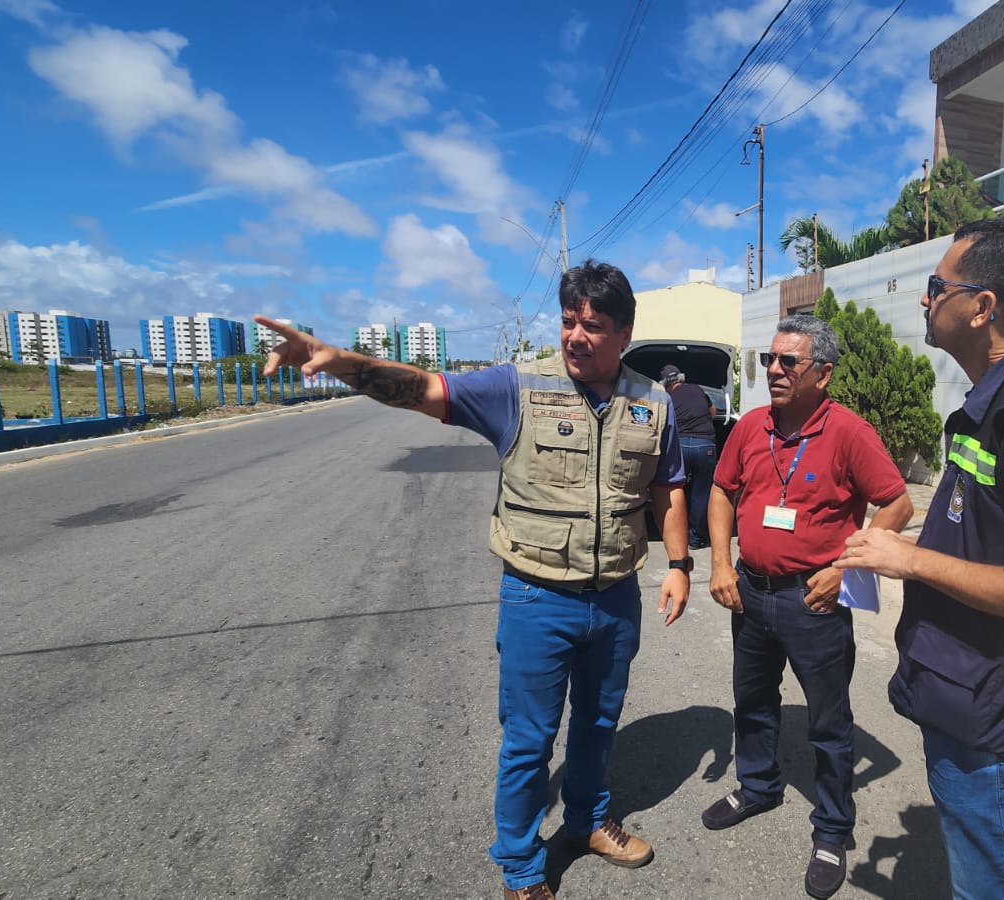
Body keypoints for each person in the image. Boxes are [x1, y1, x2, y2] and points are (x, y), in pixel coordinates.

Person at [253, 259, 692, 900]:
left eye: (592, 326)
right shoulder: (517, 389)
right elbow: (425, 389)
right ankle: (519, 867)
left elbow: (668, 488)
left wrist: (680, 566)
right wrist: (340, 360)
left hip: (617, 598)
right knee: (529, 740)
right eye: (569, 321)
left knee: (599, 724)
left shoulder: (653, 403)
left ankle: (588, 822)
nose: (575, 336)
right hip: (537, 597)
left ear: (624, 333)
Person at [836, 217, 1004, 900]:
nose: (925, 300)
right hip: (963, 695)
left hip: (996, 721)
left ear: (982, 307)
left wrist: (912, 562)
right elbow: (976, 531)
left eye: (937, 287)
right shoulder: (993, 405)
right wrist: (894, 547)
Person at [702, 315, 914, 900]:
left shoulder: (848, 432)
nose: (773, 370)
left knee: (828, 721)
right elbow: (722, 490)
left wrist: (845, 569)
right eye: (769, 360)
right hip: (752, 592)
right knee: (752, 702)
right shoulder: (750, 426)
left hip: (812, 603)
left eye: (787, 362)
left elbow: (898, 505)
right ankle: (759, 786)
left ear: (822, 373)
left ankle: (831, 830)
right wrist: (721, 564)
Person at [658, 363, 717, 549]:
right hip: (705, 445)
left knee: (676, 490)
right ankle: (696, 538)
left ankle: (676, 534)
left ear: (666, 383)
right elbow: (713, 412)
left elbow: (663, 423)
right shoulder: (697, 389)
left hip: (681, 445)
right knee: (701, 493)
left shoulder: (666, 398)